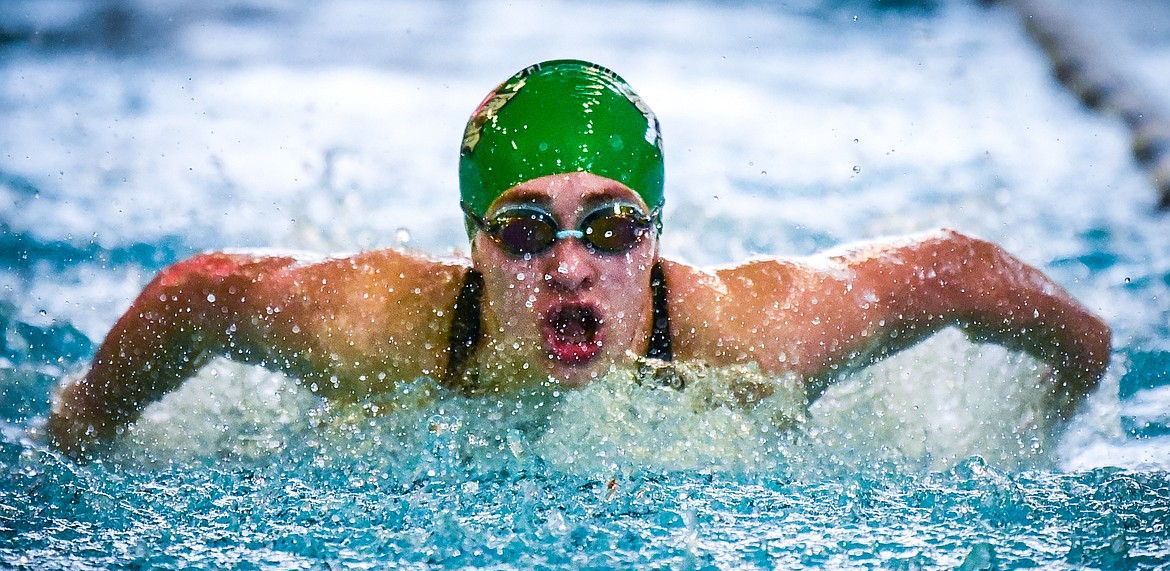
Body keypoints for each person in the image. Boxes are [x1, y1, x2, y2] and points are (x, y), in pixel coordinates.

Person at [47, 59, 1112, 459]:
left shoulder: (754, 333)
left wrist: (1045, 424)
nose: (568, 265)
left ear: (655, 235)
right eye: (523, 226)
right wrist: (82, 426)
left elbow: (965, 270)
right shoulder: (379, 327)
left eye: (609, 227)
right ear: (471, 241)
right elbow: (196, 294)